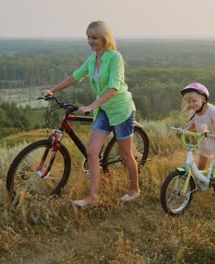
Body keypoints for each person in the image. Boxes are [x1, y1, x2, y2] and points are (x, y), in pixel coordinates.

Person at [43, 21, 139, 207]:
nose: (90, 41)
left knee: (126, 155)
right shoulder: (92, 59)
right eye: (88, 37)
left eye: (94, 37)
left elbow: (113, 88)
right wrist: (53, 90)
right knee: (92, 152)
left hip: (120, 110)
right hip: (103, 110)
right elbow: (75, 77)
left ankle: (135, 190)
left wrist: (91, 106)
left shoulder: (114, 58)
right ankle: (93, 197)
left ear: (104, 38)